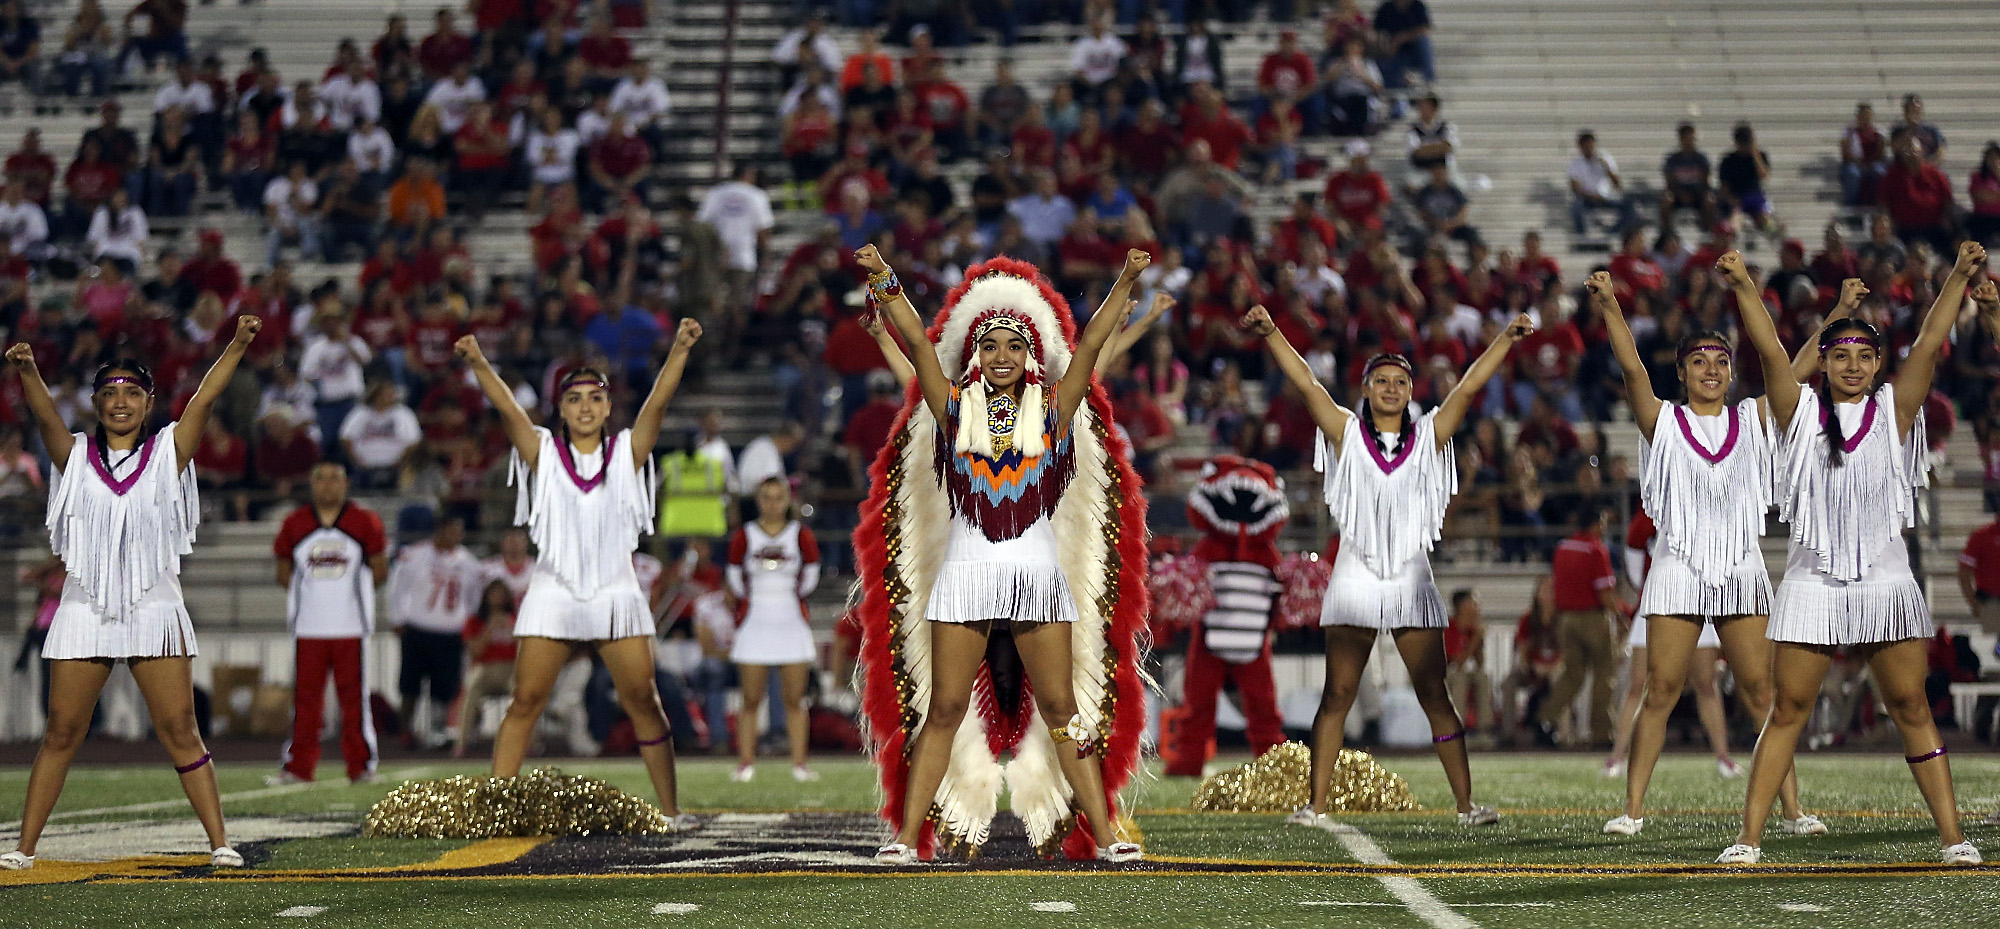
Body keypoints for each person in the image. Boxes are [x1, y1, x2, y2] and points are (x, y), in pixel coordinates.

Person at [858, 243, 1151, 864]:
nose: (1001, 357)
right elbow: (914, 339)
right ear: (974, 355)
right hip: (965, 573)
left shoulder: (1054, 411)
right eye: (989, 346)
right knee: (942, 708)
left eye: (1014, 346)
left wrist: (1126, 280)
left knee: (1062, 708)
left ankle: (1105, 836)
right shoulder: (951, 408)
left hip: (1037, 575)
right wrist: (886, 278)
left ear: (1031, 356)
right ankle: (908, 841)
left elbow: (1093, 345)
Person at [1718, 241, 1990, 866]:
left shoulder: (1895, 408)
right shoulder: (1800, 412)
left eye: (1863, 356)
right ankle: (1749, 838)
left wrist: (1956, 277)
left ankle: (1953, 839)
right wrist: (1741, 286)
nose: (1851, 365)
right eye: (1839, 355)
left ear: (1875, 365)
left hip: (1885, 579)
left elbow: (1927, 344)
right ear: (1826, 364)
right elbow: (1768, 353)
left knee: (1912, 706)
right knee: (1788, 710)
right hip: (1813, 582)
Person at [1243, 299, 1530, 830]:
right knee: (1338, 693)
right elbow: (1307, 384)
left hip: (1410, 574)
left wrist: (1505, 341)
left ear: (1411, 391)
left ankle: (1466, 807)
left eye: (1401, 381)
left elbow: (1466, 388)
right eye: (1383, 380)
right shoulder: (1347, 431)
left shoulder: (1428, 437)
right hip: (1355, 571)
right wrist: (1273, 333)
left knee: (1434, 694)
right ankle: (1317, 806)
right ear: (1367, 389)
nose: (1392, 388)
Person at [0, 315, 261, 871]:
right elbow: (44, 416)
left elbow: (205, 402)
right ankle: (22, 849)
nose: (121, 401)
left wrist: (236, 345)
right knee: (62, 732)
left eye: (133, 392)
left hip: (155, 606)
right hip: (83, 606)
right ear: (95, 403)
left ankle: (220, 842)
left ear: (149, 402)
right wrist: (28, 373)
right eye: (110, 392)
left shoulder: (169, 451)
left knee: (180, 731)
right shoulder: (72, 455)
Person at [1590, 260, 1839, 835]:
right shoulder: (1664, 421)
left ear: (1730, 373)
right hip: (1677, 568)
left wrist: (1838, 315)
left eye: (1721, 362)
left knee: (1761, 693)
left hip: (1742, 569)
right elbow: (1630, 368)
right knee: (1662, 691)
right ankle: (1631, 812)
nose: (1711, 370)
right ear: (1681, 372)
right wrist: (1609, 305)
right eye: (1699, 362)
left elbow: (1790, 367)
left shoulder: (1752, 418)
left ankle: (1795, 811)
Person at [455, 316, 705, 827]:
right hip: (555, 590)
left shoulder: (625, 453)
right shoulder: (543, 452)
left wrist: (678, 349)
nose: (586, 407)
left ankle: (672, 810)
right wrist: (480, 362)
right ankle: (496, 812)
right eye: (574, 399)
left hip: (615, 590)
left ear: (609, 407)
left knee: (643, 701)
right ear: (561, 410)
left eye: (595, 398)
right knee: (525, 699)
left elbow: (658, 402)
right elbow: (508, 410)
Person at [269, 462, 387, 785]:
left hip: (351, 627)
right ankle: (298, 767)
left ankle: (361, 766)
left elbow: (380, 570)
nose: (328, 485)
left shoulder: (364, 521)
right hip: (308, 628)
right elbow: (282, 572)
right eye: (320, 478)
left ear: (346, 483)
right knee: (305, 702)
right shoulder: (295, 523)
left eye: (335, 478)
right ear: (311, 483)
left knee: (355, 703)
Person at [1602, 507, 1738, 784]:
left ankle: (1723, 756)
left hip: (1699, 598)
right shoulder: (1646, 517)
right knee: (1639, 685)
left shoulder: (1705, 510)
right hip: (1656, 601)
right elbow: (1635, 567)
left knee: (1706, 683)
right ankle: (1617, 756)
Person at [725, 477, 822, 783]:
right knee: (751, 699)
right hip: (755, 621)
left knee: (795, 699)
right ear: (758, 500)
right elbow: (734, 577)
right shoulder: (745, 535)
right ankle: (745, 763)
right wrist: (755, 599)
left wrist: (787, 596)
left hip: (790, 620)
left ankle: (799, 764)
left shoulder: (800, 535)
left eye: (778, 497)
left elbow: (810, 576)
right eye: (766, 497)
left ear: (787, 501)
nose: (772, 503)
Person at [387, 515, 484, 748]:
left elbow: (474, 599)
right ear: (439, 529)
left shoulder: (469, 563)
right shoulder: (414, 554)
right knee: (410, 686)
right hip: (418, 629)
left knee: (445, 687)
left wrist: (467, 626)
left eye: (458, 531)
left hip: (450, 633)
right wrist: (398, 617)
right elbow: (397, 587)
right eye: (450, 530)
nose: (454, 536)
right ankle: (405, 731)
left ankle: (440, 731)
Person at [453, 579, 518, 758]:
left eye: (501, 595)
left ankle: (526, 743)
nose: (497, 599)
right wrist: (489, 629)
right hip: (484, 669)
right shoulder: (475, 621)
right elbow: (475, 651)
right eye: (493, 594)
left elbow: (525, 650)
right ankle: (461, 743)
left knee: (523, 694)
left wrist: (511, 628)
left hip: (510, 670)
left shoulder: (517, 620)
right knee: (470, 691)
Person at [1569, 130, 1637, 238]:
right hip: (1587, 198)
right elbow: (1575, 187)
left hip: (1607, 197)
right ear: (1580, 147)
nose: (1590, 150)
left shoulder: (1605, 157)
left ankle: (1612, 234)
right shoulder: (1576, 163)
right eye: (1586, 147)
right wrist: (1591, 196)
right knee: (1575, 208)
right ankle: (1582, 239)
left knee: (1630, 207)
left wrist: (1607, 169)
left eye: (1591, 147)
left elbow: (1618, 185)